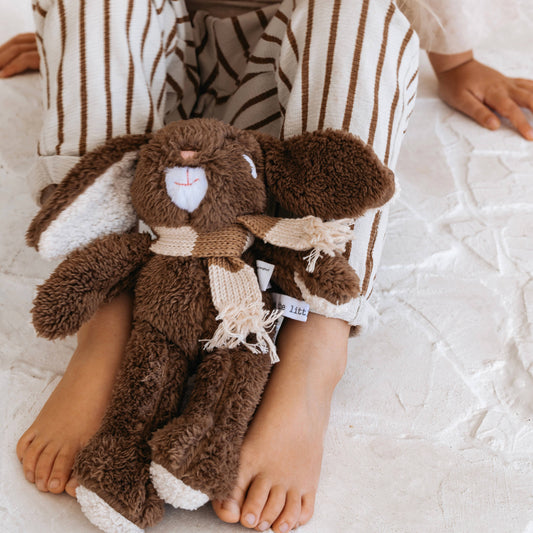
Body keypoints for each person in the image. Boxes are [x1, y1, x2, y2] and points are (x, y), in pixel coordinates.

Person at [1, 1, 531, 532]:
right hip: (161, 76)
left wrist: (455, 60)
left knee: (356, 11)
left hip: (286, 95)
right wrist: (79, 43)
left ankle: (315, 348)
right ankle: (105, 323)